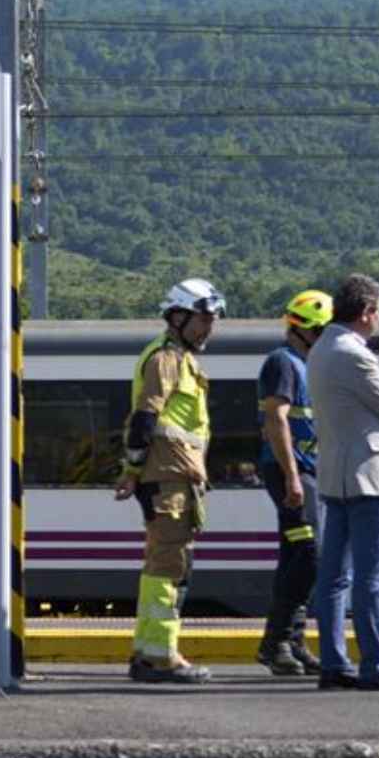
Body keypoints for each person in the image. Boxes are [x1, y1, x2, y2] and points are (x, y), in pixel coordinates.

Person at [308, 273, 379, 691]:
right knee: (373, 575)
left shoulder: (320, 348)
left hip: (334, 477)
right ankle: (375, 664)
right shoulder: (354, 354)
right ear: (368, 312)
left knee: (333, 577)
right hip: (369, 478)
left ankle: (333, 663)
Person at [113, 277, 225, 684]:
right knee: (170, 566)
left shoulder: (181, 358)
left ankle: (146, 653)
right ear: (178, 316)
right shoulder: (166, 358)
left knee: (160, 564)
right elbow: (145, 418)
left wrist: (133, 472)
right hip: (168, 480)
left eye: (212, 320)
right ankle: (161, 657)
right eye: (203, 319)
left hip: (175, 478)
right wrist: (132, 468)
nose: (209, 327)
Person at [255, 289, 332, 676]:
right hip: (290, 472)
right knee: (309, 554)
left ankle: (291, 642)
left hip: (305, 471)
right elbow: (276, 420)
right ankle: (277, 643)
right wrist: (291, 477)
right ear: (307, 331)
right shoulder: (282, 363)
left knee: (296, 557)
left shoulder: (305, 365)